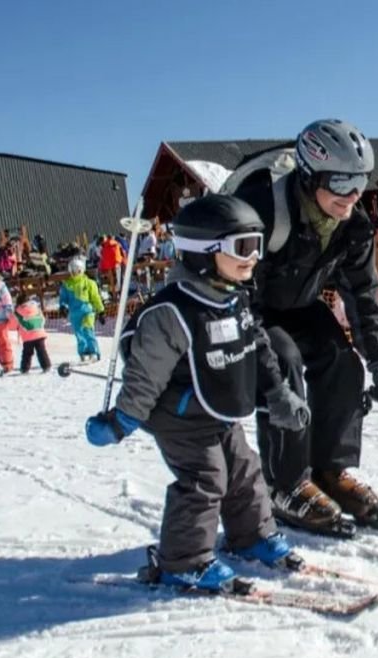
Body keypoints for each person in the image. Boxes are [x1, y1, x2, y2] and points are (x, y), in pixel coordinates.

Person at [84, 195, 310, 591]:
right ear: (204, 252)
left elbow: (257, 345)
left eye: (256, 245)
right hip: (179, 417)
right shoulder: (171, 312)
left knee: (244, 471)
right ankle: (183, 562)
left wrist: (278, 393)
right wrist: (122, 420)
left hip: (218, 411)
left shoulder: (233, 296)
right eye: (242, 247)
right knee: (206, 479)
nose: (253, 257)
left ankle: (251, 536)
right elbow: (145, 375)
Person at [232, 119, 378, 534]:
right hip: (253, 310)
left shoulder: (354, 225)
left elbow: (363, 292)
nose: (352, 196)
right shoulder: (264, 210)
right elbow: (235, 293)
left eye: (360, 182)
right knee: (282, 365)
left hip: (301, 305)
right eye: (341, 182)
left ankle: (329, 470)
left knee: (344, 365)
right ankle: (285, 484)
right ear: (310, 175)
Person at [59, 257, 105, 363]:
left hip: (87, 311)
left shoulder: (89, 283)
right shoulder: (67, 284)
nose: (75, 273)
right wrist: (63, 306)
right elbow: (64, 298)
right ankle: (84, 353)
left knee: (88, 330)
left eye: (77, 270)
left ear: (81, 270)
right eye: (73, 271)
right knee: (79, 333)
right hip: (74, 313)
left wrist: (101, 311)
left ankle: (94, 352)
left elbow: (95, 298)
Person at [13, 291, 51, 374]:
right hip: (39, 333)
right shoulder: (36, 307)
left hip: (28, 336)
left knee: (27, 353)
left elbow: (13, 324)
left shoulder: (18, 311)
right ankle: (46, 366)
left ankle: (24, 369)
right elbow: (42, 319)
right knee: (41, 351)